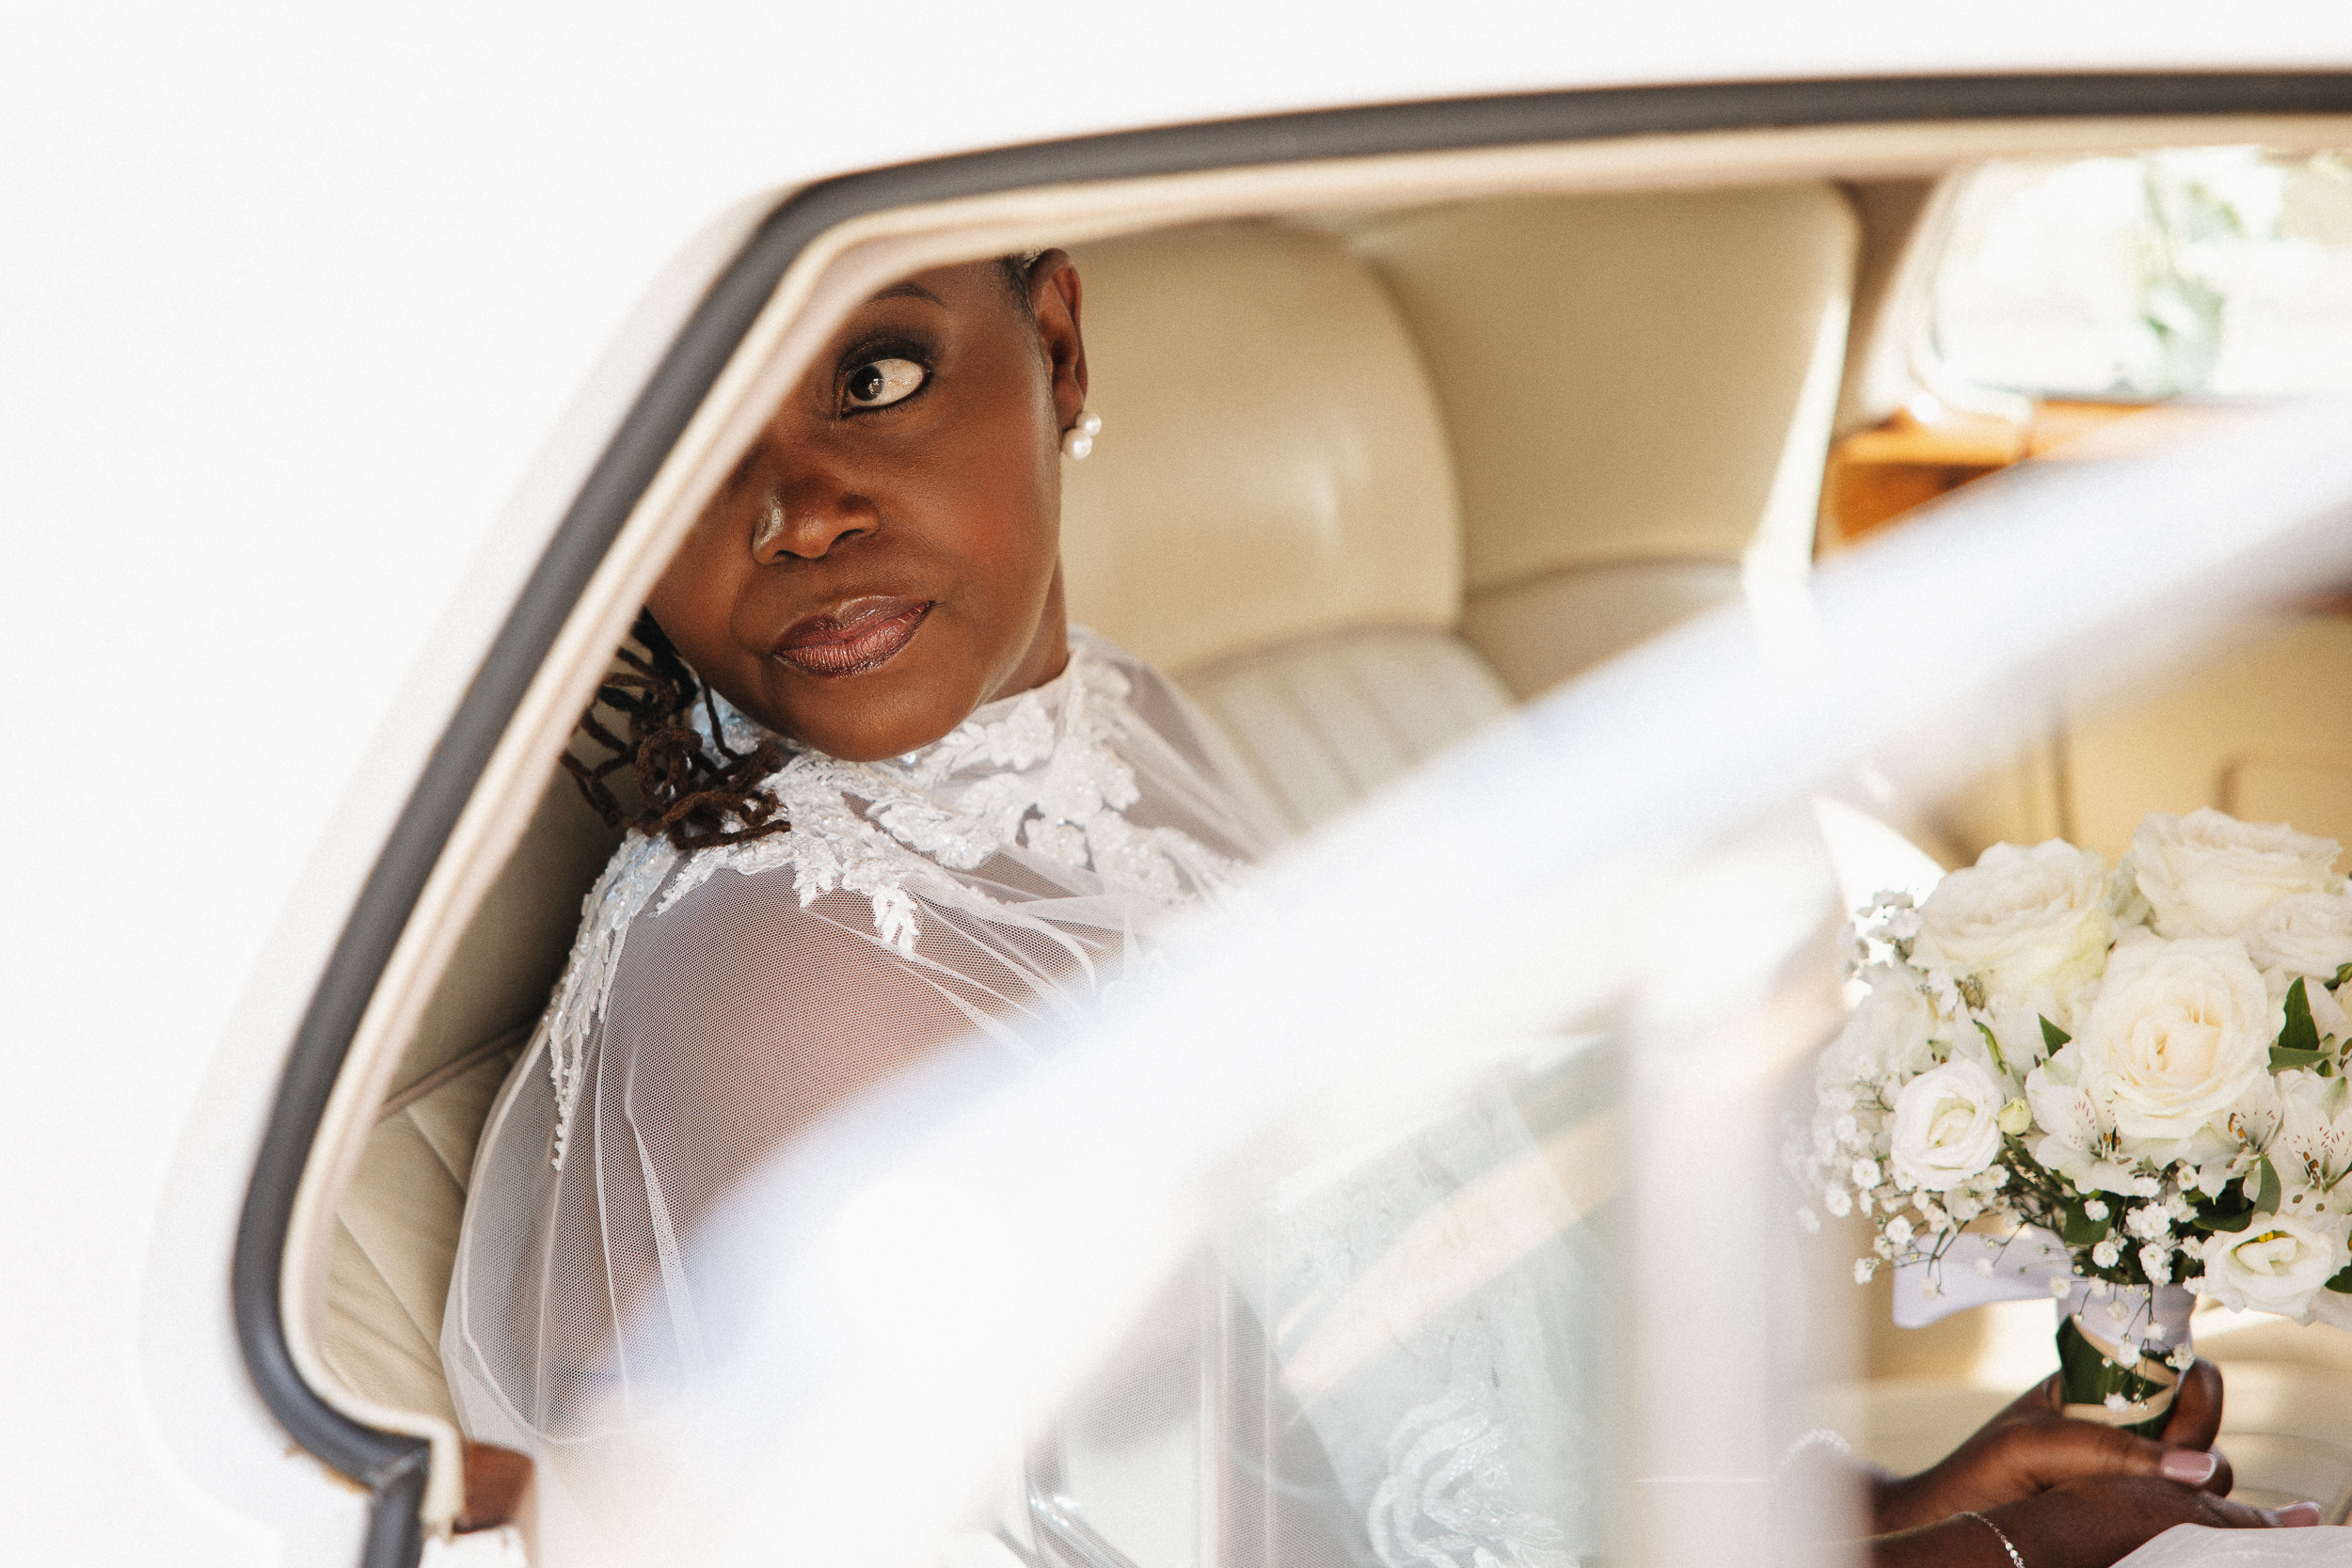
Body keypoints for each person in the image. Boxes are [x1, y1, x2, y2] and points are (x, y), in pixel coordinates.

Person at [441, 248, 2319, 1564]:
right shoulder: (778, 966)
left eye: (875, 378)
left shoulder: (1112, 727)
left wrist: (1888, 1510)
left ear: (1061, 348)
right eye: (680, 455)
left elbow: (1360, 1424)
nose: (795, 512)